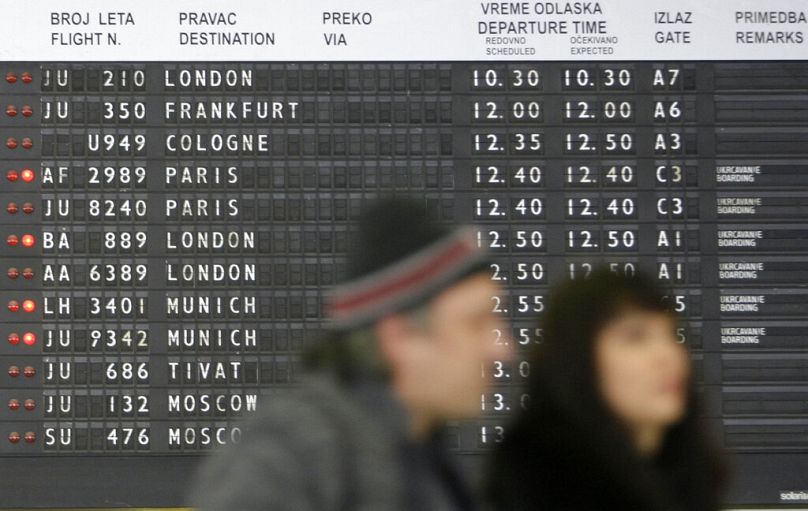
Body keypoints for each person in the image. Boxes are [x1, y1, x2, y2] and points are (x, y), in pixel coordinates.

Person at [189, 196, 510, 510]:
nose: (503, 349)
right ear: (397, 336)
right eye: (477, 323)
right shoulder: (294, 448)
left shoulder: (428, 460)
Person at [487, 266, 728, 511]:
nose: (667, 355)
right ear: (577, 360)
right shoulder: (539, 484)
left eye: (674, 335)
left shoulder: (693, 477)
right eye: (635, 337)